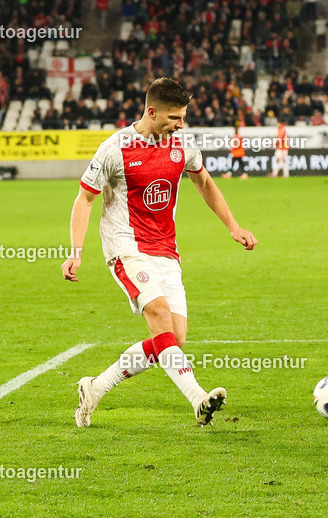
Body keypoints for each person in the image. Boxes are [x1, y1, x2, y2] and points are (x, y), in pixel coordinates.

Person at [64, 78, 258, 428]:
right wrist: (76, 251)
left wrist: (233, 225)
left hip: (166, 249)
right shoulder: (115, 148)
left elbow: (204, 182)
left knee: (173, 340)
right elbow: (85, 198)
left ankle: (94, 388)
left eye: (183, 116)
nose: (180, 124)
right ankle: (198, 398)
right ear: (151, 112)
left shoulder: (183, 143)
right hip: (126, 247)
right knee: (157, 313)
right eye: (174, 117)